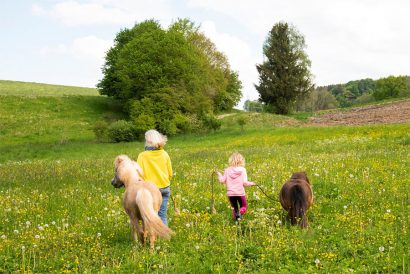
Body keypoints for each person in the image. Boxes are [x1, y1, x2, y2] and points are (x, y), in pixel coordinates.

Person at [137, 129, 173, 226]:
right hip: (165, 188)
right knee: (163, 215)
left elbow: (139, 175)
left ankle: (152, 238)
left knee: (151, 215)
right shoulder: (164, 154)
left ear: (147, 141)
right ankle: (164, 238)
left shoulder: (142, 156)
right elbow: (170, 173)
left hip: (150, 190)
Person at [216, 152, 255, 221]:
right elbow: (245, 183)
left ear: (231, 160)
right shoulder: (243, 170)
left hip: (231, 194)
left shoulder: (227, 170)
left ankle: (236, 220)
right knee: (244, 206)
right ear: (241, 160)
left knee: (234, 208)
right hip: (240, 193)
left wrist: (219, 174)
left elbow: (222, 181)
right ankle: (239, 214)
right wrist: (252, 183)